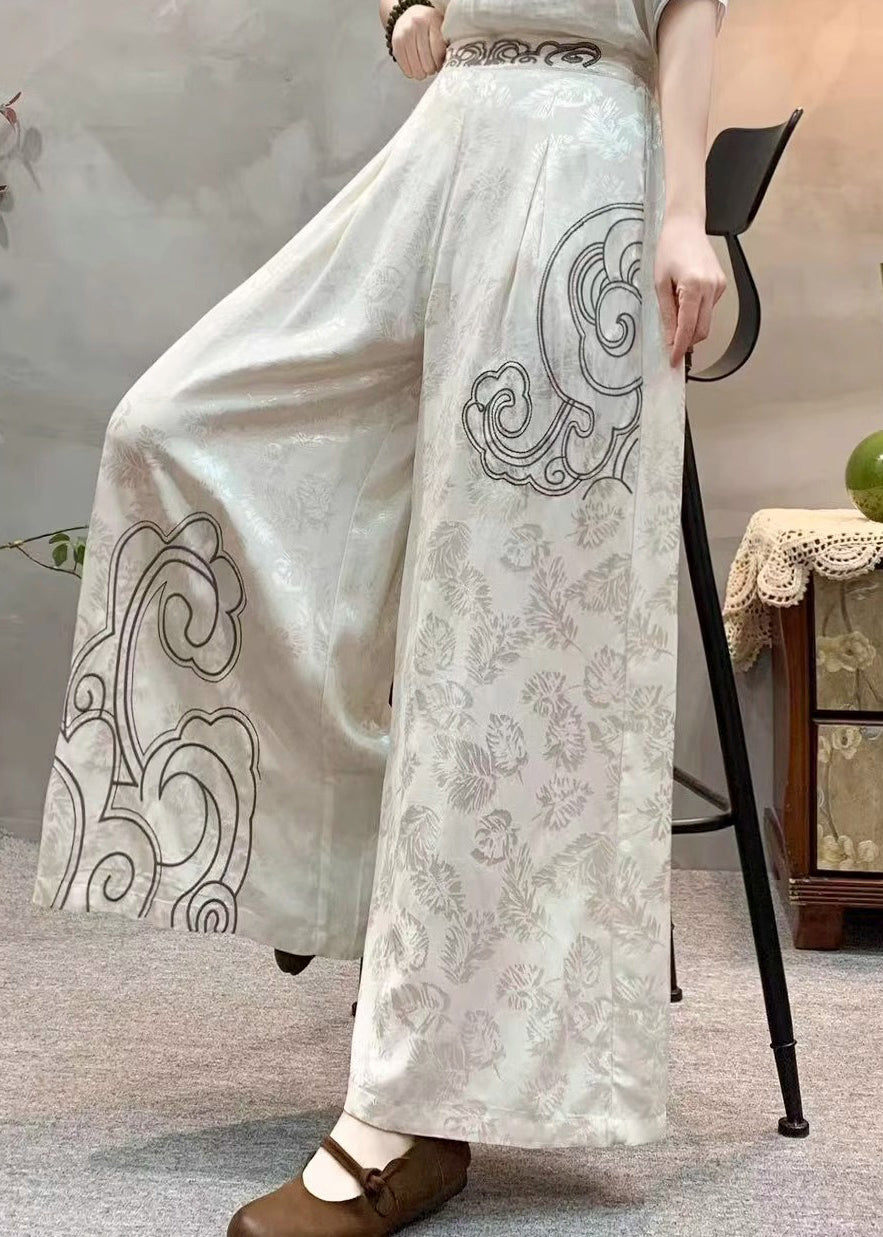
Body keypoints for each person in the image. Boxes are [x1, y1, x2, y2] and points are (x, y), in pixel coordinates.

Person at [31, 0, 730, 1232]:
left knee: (500, 628)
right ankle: (374, 879)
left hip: (581, 160)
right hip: (446, 142)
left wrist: (686, 214)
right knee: (170, 424)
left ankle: (413, 1105)